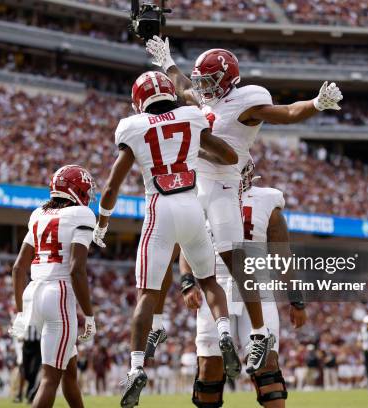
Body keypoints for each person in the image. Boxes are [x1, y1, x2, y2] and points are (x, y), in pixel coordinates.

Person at [146, 35, 342, 373]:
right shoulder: (205, 100)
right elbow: (183, 88)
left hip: (224, 183)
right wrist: (167, 62)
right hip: (196, 184)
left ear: (227, 80)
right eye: (202, 81)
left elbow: (287, 112)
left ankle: (259, 333)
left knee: (234, 259)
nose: (204, 88)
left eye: (210, 81)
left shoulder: (246, 103)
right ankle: (157, 323)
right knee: (166, 239)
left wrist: (315, 104)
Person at [92, 71, 241, 408]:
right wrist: (188, 155)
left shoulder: (133, 127)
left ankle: (136, 368)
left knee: (148, 294)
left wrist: (102, 221)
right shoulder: (191, 117)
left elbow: (113, 185)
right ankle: (224, 333)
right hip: (192, 208)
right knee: (210, 281)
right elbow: (228, 155)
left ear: (139, 100)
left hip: (160, 211)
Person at [180, 162, 307, 407]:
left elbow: (282, 256)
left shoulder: (267, 202)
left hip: (256, 288)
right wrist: (187, 281)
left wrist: (296, 299)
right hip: (214, 287)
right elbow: (188, 244)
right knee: (208, 373)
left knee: (267, 368)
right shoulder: (201, 196)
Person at [11, 165, 98, 408]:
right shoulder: (82, 215)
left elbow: (19, 268)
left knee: (68, 372)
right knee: (50, 379)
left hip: (33, 294)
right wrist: (89, 315)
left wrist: (20, 312)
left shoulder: (38, 214)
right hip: (58, 294)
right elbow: (76, 270)